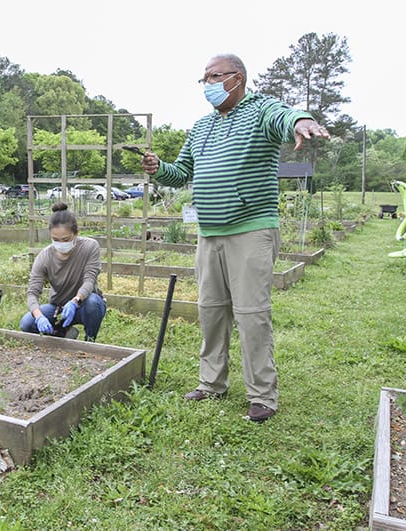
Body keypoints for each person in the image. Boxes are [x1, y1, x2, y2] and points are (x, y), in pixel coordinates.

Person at [141, 53, 331, 422]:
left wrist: (301, 118)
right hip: (210, 233)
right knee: (211, 312)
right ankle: (212, 383)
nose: (208, 84)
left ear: (237, 78)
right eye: (205, 79)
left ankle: (262, 394)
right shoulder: (200, 128)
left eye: (214, 76)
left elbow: (283, 115)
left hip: (250, 229)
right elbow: (181, 172)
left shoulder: (261, 110)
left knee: (251, 314)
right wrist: (158, 168)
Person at [19, 203, 106, 342]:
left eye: (66, 239)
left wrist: (75, 301)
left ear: (76, 233)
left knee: (93, 303)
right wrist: (39, 316)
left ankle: (90, 341)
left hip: (83, 303)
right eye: (55, 239)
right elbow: (32, 293)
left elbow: (90, 280)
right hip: (58, 306)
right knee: (27, 323)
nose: (61, 243)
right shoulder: (44, 257)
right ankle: (62, 334)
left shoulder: (90, 247)